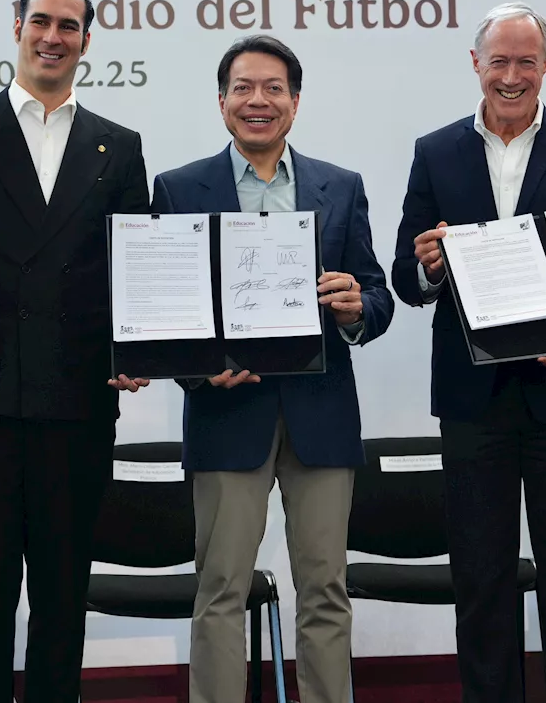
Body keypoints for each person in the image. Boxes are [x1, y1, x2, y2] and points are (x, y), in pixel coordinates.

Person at [0, 0, 150, 703]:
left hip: (77, 402)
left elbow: (132, 270)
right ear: (15, 26)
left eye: (69, 26)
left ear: (87, 40)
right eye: (40, 21)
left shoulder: (118, 144)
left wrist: (142, 348)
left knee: (61, 600)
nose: (53, 36)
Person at [151, 35, 394, 703]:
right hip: (227, 413)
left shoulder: (339, 187)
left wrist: (353, 307)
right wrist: (201, 368)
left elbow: (377, 295)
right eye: (243, 88)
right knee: (221, 588)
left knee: (324, 588)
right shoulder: (177, 188)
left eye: (274, 88)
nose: (258, 100)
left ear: (294, 101)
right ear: (222, 100)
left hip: (322, 414)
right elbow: (161, 309)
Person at [392, 2, 546, 702]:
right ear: (476, 65)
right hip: (472, 403)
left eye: (527, 61)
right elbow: (406, 276)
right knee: (482, 581)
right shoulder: (436, 151)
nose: (512, 75)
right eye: (500, 61)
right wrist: (430, 264)